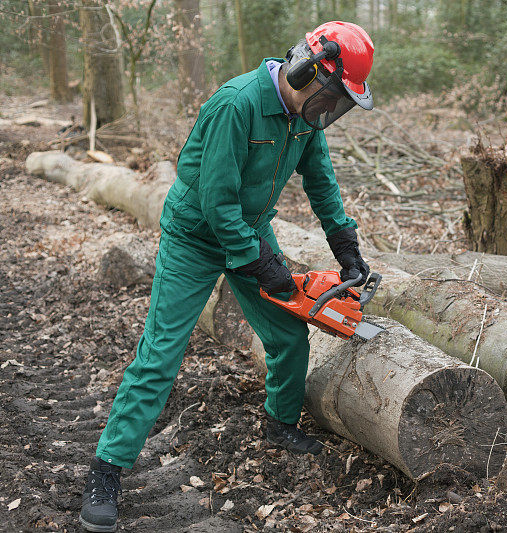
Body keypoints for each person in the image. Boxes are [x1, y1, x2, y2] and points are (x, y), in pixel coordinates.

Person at [79, 21, 375, 532]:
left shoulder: (306, 120)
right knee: (161, 355)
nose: (331, 110)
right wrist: (263, 265)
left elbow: (321, 183)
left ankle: (280, 423)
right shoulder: (236, 104)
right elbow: (216, 203)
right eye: (331, 96)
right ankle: (107, 469)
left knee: (287, 333)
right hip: (195, 237)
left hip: (251, 231)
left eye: (341, 102)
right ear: (307, 70)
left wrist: (345, 246)